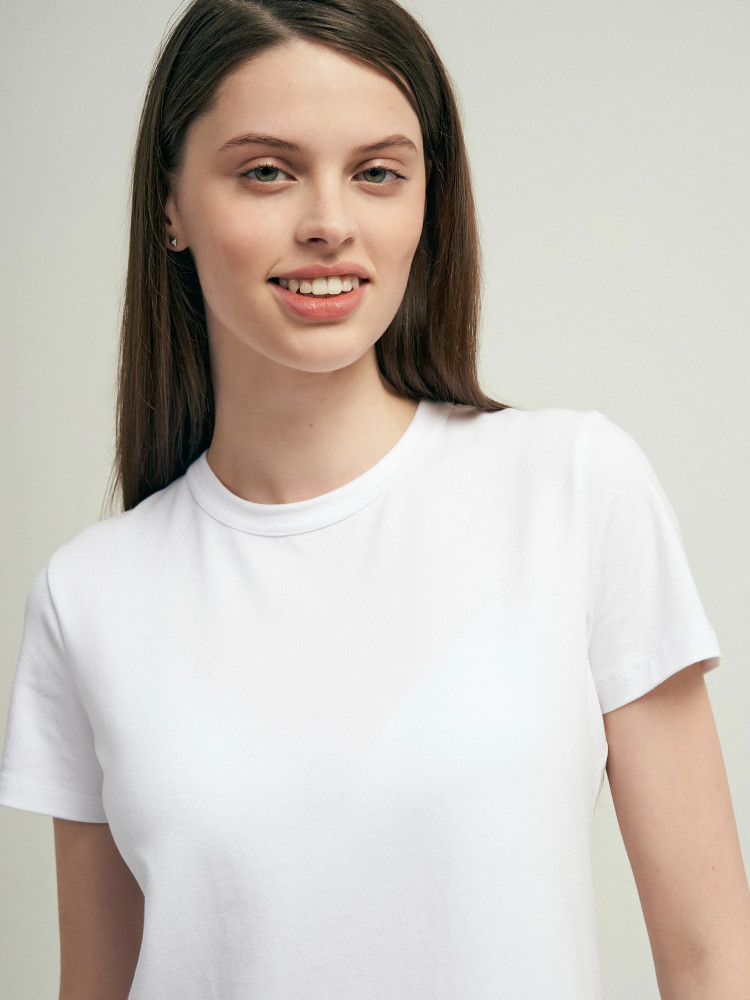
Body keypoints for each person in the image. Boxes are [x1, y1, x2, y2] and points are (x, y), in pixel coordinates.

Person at [0, 0, 748, 997]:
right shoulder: (88, 596)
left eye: (378, 172)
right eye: (267, 171)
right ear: (170, 205)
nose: (329, 223)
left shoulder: (571, 489)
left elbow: (711, 960)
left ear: (428, 198)